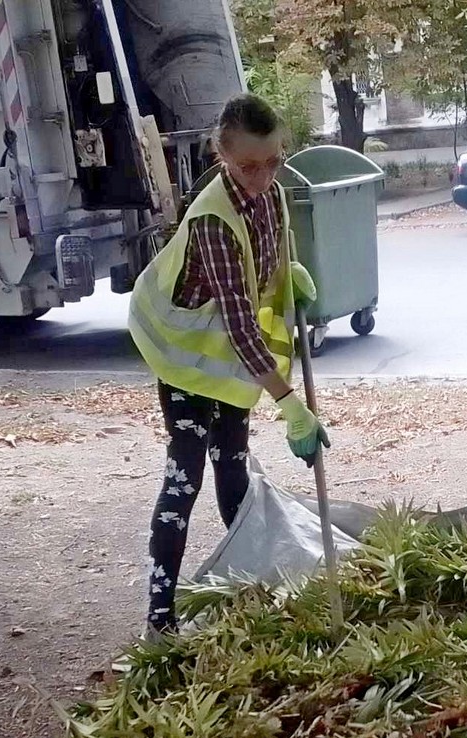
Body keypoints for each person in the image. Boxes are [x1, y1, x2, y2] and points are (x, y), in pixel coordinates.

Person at [128, 94, 328, 636]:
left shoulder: (275, 194)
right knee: (184, 476)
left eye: (273, 162)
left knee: (233, 466)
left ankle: (241, 588)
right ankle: (159, 617)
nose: (262, 177)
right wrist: (291, 406)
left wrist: (291, 275)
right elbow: (241, 327)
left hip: (223, 357)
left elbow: (268, 260)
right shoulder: (212, 221)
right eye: (247, 167)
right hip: (182, 353)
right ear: (221, 154)